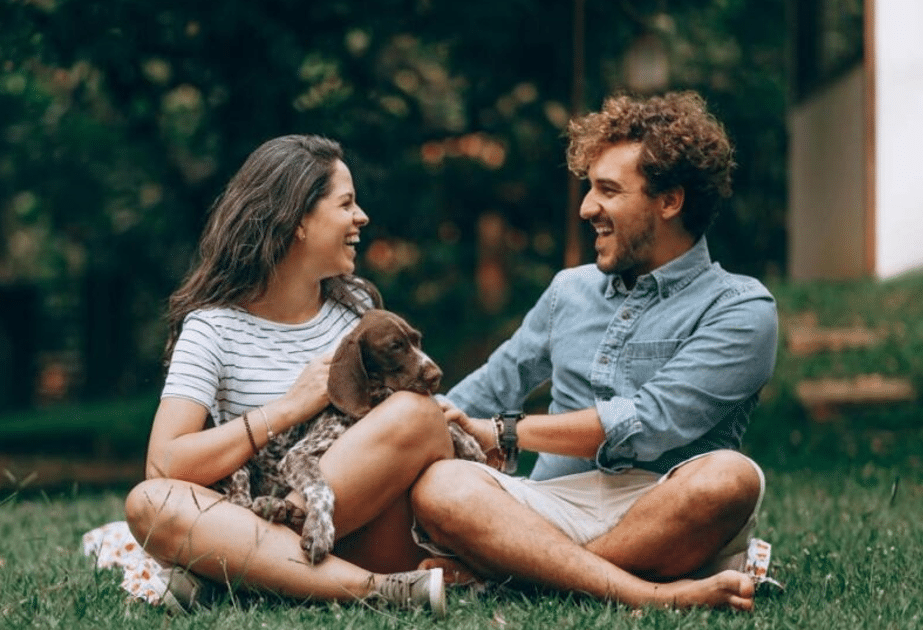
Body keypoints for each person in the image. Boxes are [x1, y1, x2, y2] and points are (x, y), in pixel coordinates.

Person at [409, 91, 779, 611]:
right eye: (589, 189)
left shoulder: (741, 307)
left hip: (663, 505)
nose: (587, 208)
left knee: (731, 478)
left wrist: (507, 432)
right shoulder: (569, 291)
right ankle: (649, 591)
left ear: (670, 201)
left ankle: (513, 570)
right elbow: (494, 384)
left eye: (607, 190)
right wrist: (413, 423)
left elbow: (650, 422)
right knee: (440, 483)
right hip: (550, 505)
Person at [86, 134, 450, 615]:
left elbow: (397, 432)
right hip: (256, 522)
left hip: (359, 526)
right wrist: (287, 409)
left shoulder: (357, 308)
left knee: (414, 414)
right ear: (298, 221)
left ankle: (245, 572)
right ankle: (375, 590)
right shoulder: (212, 328)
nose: (361, 217)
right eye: (346, 204)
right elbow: (165, 464)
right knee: (150, 503)